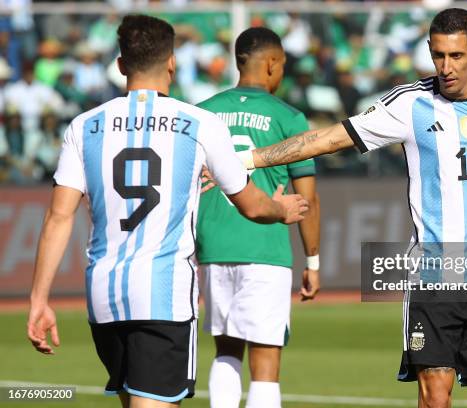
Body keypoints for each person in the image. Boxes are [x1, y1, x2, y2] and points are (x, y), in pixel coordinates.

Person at [236, 8, 467, 408]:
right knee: (435, 398)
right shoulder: (409, 104)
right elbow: (331, 138)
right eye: (438, 55)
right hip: (433, 278)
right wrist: (249, 159)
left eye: (456, 56)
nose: (446, 66)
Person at [26, 14, 308, 408]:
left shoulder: (83, 126)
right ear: (172, 62)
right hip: (164, 295)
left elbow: (58, 217)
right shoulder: (199, 124)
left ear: (121, 65)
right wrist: (280, 209)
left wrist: (39, 299)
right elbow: (250, 204)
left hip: (104, 296)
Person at [195, 27, 321, 408]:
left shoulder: (202, 112)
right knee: (265, 359)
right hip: (264, 247)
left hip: (214, 245)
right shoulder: (289, 117)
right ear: (271, 63)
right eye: (281, 65)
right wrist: (312, 261)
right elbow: (307, 200)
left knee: (226, 350)